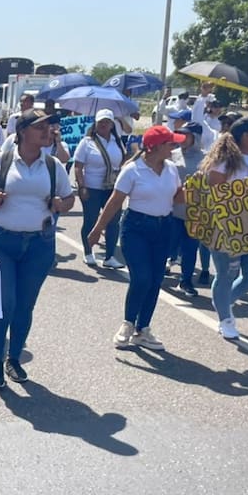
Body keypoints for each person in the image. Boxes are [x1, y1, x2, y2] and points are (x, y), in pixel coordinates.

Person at [0, 109, 75, 388]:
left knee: (25, 305)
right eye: (39, 127)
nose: (47, 132)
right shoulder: (2, 160)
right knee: (5, 303)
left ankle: (13, 359)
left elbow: (69, 199)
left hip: (38, 245)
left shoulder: (52, 165)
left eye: (48, 127)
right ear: (22, 132)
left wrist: (61, 204)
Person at [89, 125, 186, 351]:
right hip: (136, 228)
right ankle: (128, 323)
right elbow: (114, 202)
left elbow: (178, 198)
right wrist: (97, 229)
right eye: (170, 144)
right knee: (141, 278)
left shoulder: (171, 169)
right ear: (156, 147)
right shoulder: (132, 170)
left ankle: (143, 329)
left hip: (164, 228)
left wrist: (198, 189)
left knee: (154, 280)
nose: (174, 147)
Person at [199, 118, 248, 339]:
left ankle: (222, 303)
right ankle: (225, 319)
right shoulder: (223, 162)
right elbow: (214, 194)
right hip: (226, 228)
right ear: (246, 135)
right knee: (227, 274)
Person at [73, 108, 125, 268]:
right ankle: (88, 252)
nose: (103, 125)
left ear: (112, 124)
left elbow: (122, 162)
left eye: (106, 122)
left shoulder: (117, 142)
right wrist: (82, 186)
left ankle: (109, 257)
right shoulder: (87, 142)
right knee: (90, 220)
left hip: (111, 187)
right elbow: (78, 166)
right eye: (100, 122)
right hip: (92, 187)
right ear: (95, 124)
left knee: (113, 221)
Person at [169, 122, 209, 296]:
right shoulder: (172, 154)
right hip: (172, 210)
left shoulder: (207, 159)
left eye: (187, 135)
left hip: (195, 214)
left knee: (190, 248)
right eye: (180, 134)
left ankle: (185, 280)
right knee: (168, 243)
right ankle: (162, 269)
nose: (183, 138)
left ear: (196, 137)